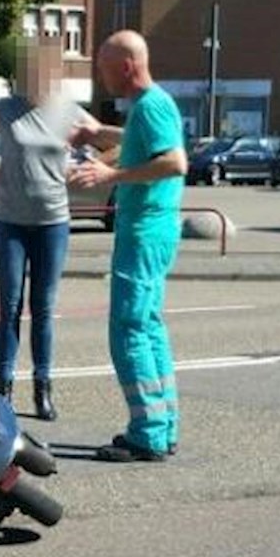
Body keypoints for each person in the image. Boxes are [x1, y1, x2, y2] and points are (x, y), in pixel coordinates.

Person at [0, 41, 92, 421]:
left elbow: (107, 143)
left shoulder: (67, 112)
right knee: (10, 305)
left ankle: (43, 388)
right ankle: (4, 387)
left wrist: (89, 170)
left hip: (53, 222)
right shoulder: (5, 109)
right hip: (10, 221)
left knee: (43, 308)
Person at [70, 30, 188, 462]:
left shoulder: (152, 105)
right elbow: (142, 140)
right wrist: (101, 132)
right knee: (149, 327)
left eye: (104, 67)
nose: (102, 77)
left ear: (126, 66)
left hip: (143, 232)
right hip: (154, 231)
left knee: (129, 330)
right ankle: (163, 425)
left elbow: (175, 161)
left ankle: (148, 433)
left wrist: (110, 177)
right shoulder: (150, 106)